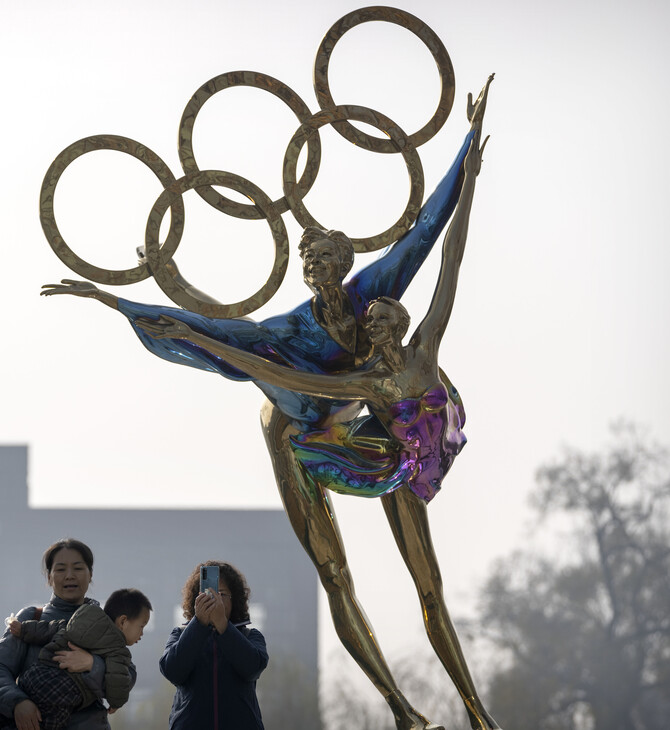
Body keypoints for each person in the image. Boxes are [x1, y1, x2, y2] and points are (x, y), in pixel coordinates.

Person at [41, 76, 495, 730]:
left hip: (401, 443)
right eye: (308, 264)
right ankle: (402, 711)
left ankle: (479, 716)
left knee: (430, 582)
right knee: (336, 573)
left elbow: (438, 242)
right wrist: (124, 303)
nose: (318, 272)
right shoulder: (309, 343)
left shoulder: (390, 307)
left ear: (346, 269)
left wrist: (469, 151)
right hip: (315, 433)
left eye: (324, 261)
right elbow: (234, 344)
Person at [0, 539, 137, 730]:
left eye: (78, 568)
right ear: (49, 577)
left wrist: (92, 664)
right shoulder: (32, 618)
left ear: (90, 575)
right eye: (61, 569)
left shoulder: (106, 624)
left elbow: (127, 676)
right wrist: (17, 702)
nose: (70, 576)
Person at [3, 589, 152, 730]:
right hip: (61, 693)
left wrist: (23, 630)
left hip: (38, 673)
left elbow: (53, 628)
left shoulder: (86, 615)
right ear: (123, 621)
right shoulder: (118, 651)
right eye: (141, 626)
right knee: (42, 724)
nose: (142, 633)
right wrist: (116, 702)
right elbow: (119, 680)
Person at [160, 561, 268, 730]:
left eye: (221, 594)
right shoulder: (180, 635)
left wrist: (223, 626)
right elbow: (172, 671)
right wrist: (198, 625)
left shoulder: (250, 636)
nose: (214, 598)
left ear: (235, 600)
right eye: (207, 593)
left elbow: (252, 668)